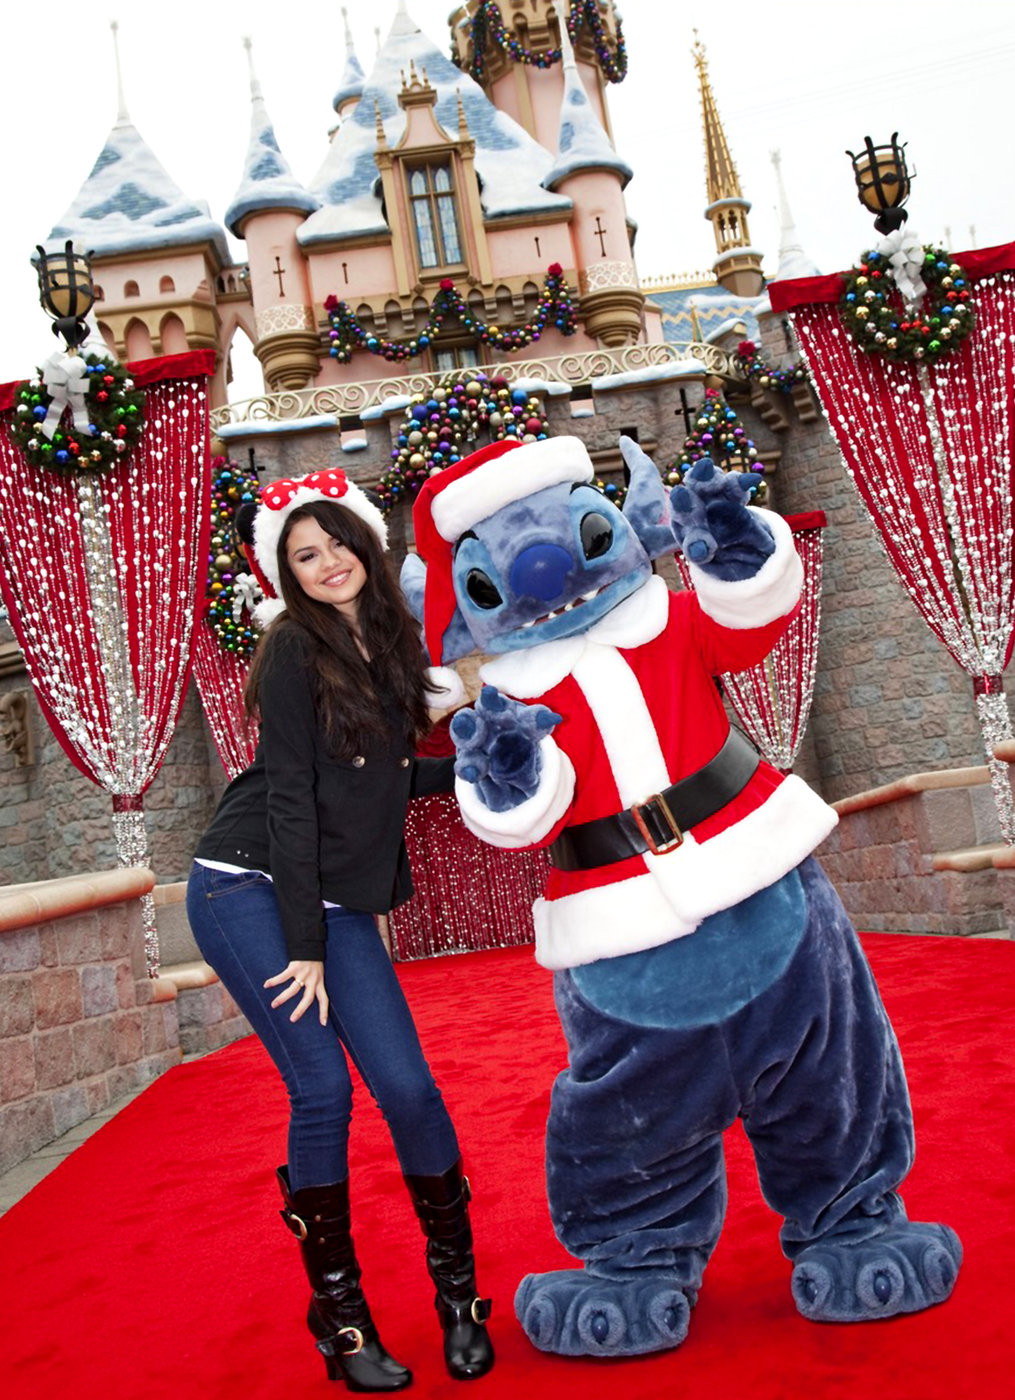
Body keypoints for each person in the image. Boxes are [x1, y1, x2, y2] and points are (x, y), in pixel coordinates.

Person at [185, 468, 494, 1392]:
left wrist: (494, 777)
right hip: (250, 887)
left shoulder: (391, 652)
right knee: (323, 1091)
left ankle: (458, 1300)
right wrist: (306, 946)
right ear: (288, 574)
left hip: (332, 896)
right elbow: (289, 797)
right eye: (303, 554)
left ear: (366, 543)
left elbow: (388, 779)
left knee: (409, 1089)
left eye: (336, 544)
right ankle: (342, 1318)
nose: (326, 564)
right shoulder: (291, 651)